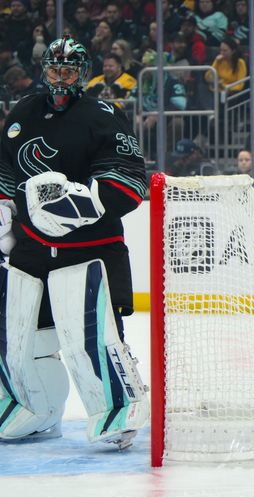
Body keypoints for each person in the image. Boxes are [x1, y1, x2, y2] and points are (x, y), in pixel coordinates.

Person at [0, 35, 149, 449]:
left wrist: (83, 202)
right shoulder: (24, 112)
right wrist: (4, 211)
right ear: (43, 70)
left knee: (95, 334)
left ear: (82, 74)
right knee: (18, 334)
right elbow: (5, 172)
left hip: (91, 247)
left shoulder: (102, 114)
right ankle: (30, 405)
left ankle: (118, 409)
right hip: (32, 248)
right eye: (53, 69)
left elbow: (129, 178)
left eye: (69, 70)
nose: (60, 78)